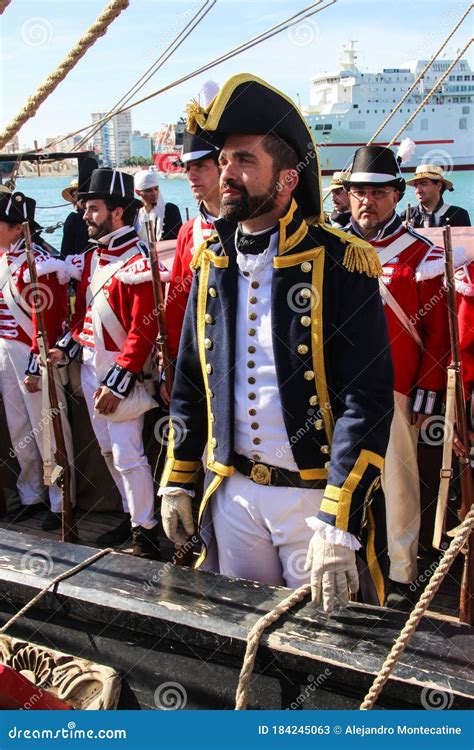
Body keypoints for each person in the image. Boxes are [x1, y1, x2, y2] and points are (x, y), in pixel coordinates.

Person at [159, 74, 394, 614]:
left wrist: (338, 521)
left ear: (287, 180)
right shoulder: (211, 260)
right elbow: (191, 380)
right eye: (223, 162)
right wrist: (179, 474)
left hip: (313, 500)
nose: (227, 175)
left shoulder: (340, 262)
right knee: (244, 637)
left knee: (327, 652)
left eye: (244, 161)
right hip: (233, 493)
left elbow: (367, 396)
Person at [343, 146, 451, 609]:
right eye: (359, 192)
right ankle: (341, 566)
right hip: (336, 386)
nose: (367, 201)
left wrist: (427, 385)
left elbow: (439, 329)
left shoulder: (420, 254)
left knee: (399, 482)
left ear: (396, 195)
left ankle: (403, 573)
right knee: (336, 479)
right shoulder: (330, 248)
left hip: (395, 388)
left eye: (378, 193)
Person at [48, 168, 165, 559]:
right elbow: (82, 317)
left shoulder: (138, 261)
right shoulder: (93, 259)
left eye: (93, 208)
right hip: (90, 368)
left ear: (118, 212)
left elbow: (142, 331)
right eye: (85, 208)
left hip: (122, 375)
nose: (84, 216)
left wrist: (117, 384)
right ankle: (134, 515)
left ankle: (146, 532)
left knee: (129, 454)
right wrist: (64, 346)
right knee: (111, 454)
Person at [0, 190, 74, 531]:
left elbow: (50, 322)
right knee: (20, 430)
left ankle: (61, 500)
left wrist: (34, 365)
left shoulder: (39, 264)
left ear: (18, 229)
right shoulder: (5, 259)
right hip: (6, 352)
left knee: (48, 433)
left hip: (32, 355)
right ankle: (31, 494)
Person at [162, 130, 220, 404]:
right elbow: (178, 303)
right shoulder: (189, 231)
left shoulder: (252, 227)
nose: (192, 176)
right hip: (199, 354)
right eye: (187, 169)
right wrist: (172, 363)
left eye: (200, 167)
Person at [401, 164, 471, 228]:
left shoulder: (459, 215)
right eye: (416, 186)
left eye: (423, 184)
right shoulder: (406, 215)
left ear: (438, 186)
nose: (418, 191)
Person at [60, 158, 98, 258]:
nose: (74, 198)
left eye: (75, 194)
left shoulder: (73, 219)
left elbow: (65, 253)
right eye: (73, 195)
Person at [133, 170, 182, 243]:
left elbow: (177, 241)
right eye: (149, 190)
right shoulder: (134, 214)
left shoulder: (170, 210)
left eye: (156, 189)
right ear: (138, 192)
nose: (154, 193)